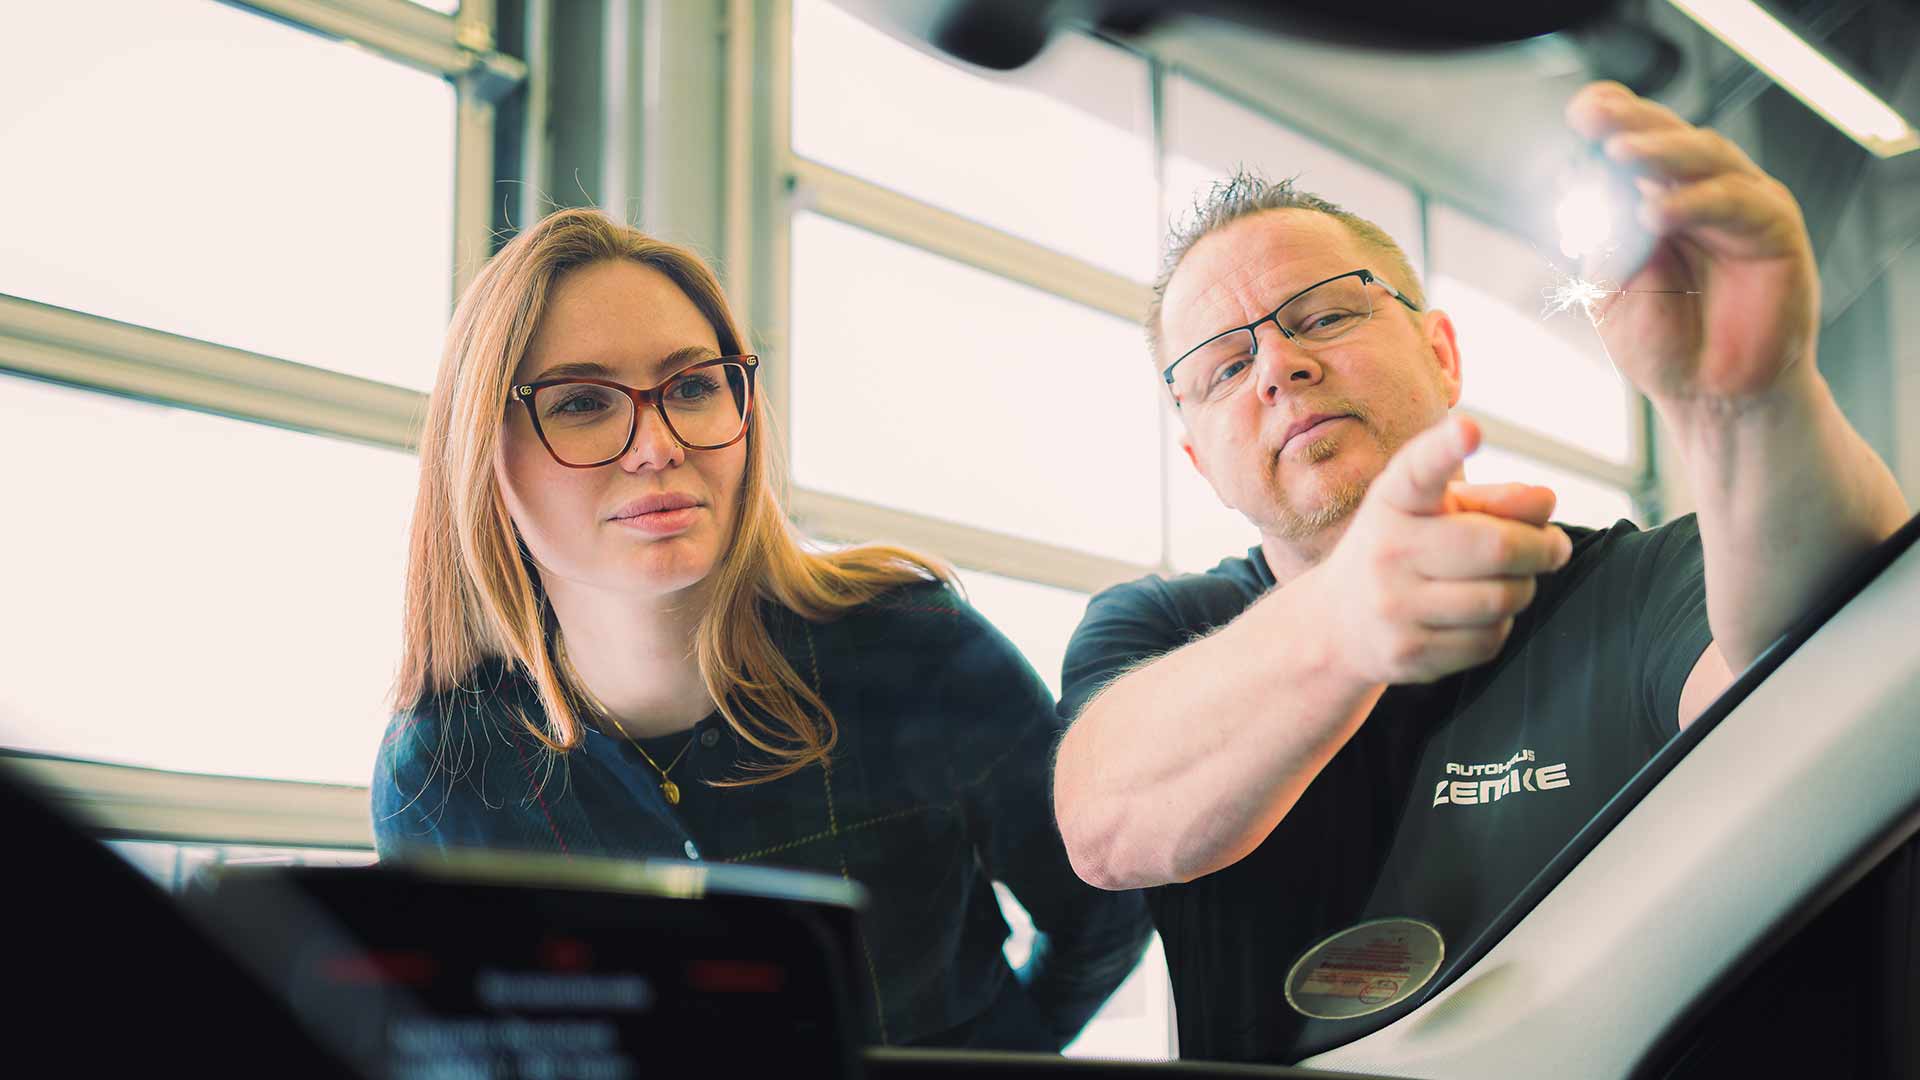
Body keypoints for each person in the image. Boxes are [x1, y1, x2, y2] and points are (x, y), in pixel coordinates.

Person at [1052, 80, 1910, 1063]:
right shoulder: (1159, 629)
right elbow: (1105, 827)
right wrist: (1343, 624)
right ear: (1199, 459)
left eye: (1327, 316)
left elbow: (1831, 666)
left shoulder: (1634, 585)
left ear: (1441, 351)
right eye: (1220, 367)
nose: (1279, 365)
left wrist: (1747, 404)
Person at [372, 207, 1150, 1051]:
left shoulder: (917, 648)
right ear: (480, 451)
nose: (657, 445)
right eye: (584, 403)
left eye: (695, 386)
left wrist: (999, 1062)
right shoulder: (442, 775)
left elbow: (1101, 912)